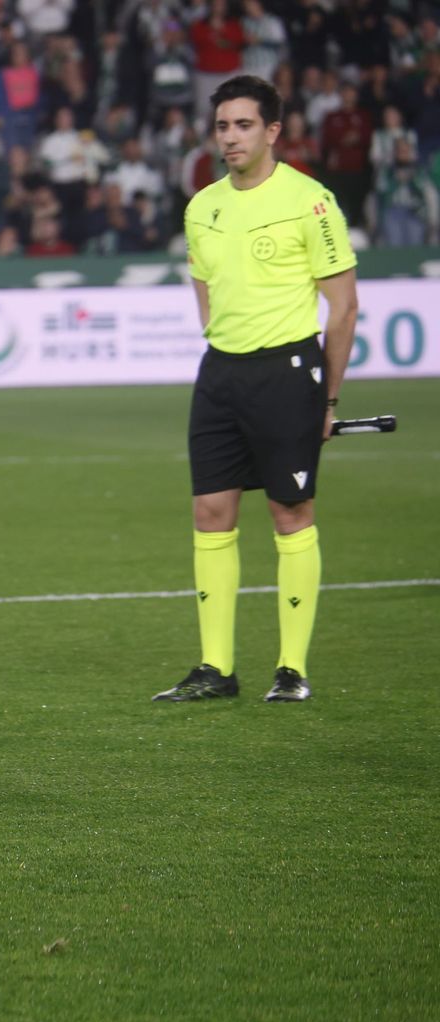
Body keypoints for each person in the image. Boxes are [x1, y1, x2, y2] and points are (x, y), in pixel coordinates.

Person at [157, 75, 358, 705]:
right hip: (220, 374)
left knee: (289, 513)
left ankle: (291, 670)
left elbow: (344, 307)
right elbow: (203, 288)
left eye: (244, 125)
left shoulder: (311, 201)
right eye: (222, 126)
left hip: (288, 372)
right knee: (210, 514)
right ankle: (216, 668)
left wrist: (327, 400)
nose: (231, 137)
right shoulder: (203, 206)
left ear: (273, 131)